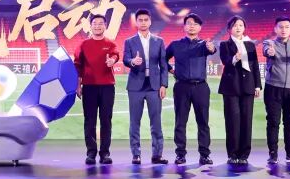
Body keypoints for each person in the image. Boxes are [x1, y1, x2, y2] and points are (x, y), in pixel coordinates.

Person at [165, 13, 216, 166]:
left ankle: (204, 155)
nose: (192, 26)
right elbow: (162, 59)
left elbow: (212, 50)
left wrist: (211, 48)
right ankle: (180, 154)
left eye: (195, 24)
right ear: (184, 26)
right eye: (189, 23)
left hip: (201, 87)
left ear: (200, 27)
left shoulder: (204, 44)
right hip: (181, 87)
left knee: (203, 122)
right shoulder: (175, 44)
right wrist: (171, 70)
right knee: (180, 122)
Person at [122, 9, 168, 165]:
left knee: (156, 122)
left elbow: (163, 65)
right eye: (140, 20)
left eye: (145, 20)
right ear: (136, 22)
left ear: (150, 21)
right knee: (135, 122)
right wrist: (132, 62)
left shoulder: (159, 41)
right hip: (135, 86)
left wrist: (163, 84)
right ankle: (136, 154)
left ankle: (157, 155)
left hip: (154, 86)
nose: (143, 22)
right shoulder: (129, 41)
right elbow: (125, 59)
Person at [74, 14, 119, 165]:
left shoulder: (110, 44)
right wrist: (78, 85)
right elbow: (77, 65)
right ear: (91, 26)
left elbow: (115, 55)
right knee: (90, 120)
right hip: (89, 87)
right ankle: (91, 153)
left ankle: (105, 153)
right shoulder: (83, 44)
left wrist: (112, 60)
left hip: (107, 87)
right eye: (95, 23)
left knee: (106, 120)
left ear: (105, 26)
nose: (98, 26)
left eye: (101, 23)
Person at [262, 17, 290, 165]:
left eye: (287, 27)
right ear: (275, 29)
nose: (284, 29)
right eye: (280, 27)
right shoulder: (269, 43)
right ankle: (273, 154)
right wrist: (269, 51)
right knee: (273, 121)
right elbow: (266, 51)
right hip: (273, 88)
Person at [217, 16, 261, 165]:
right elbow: (225, 61)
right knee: (232, 121)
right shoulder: (225, 44)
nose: (238, 28)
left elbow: (255, 66)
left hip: (248, 87)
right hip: (231, 88)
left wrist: (257, 86)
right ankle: (232, 154)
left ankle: (244, 154)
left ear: (244, 28)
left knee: (246, 120)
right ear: (230, 29)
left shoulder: (250, 45)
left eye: (241, 25)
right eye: (235, 25)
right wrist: (235, 58)